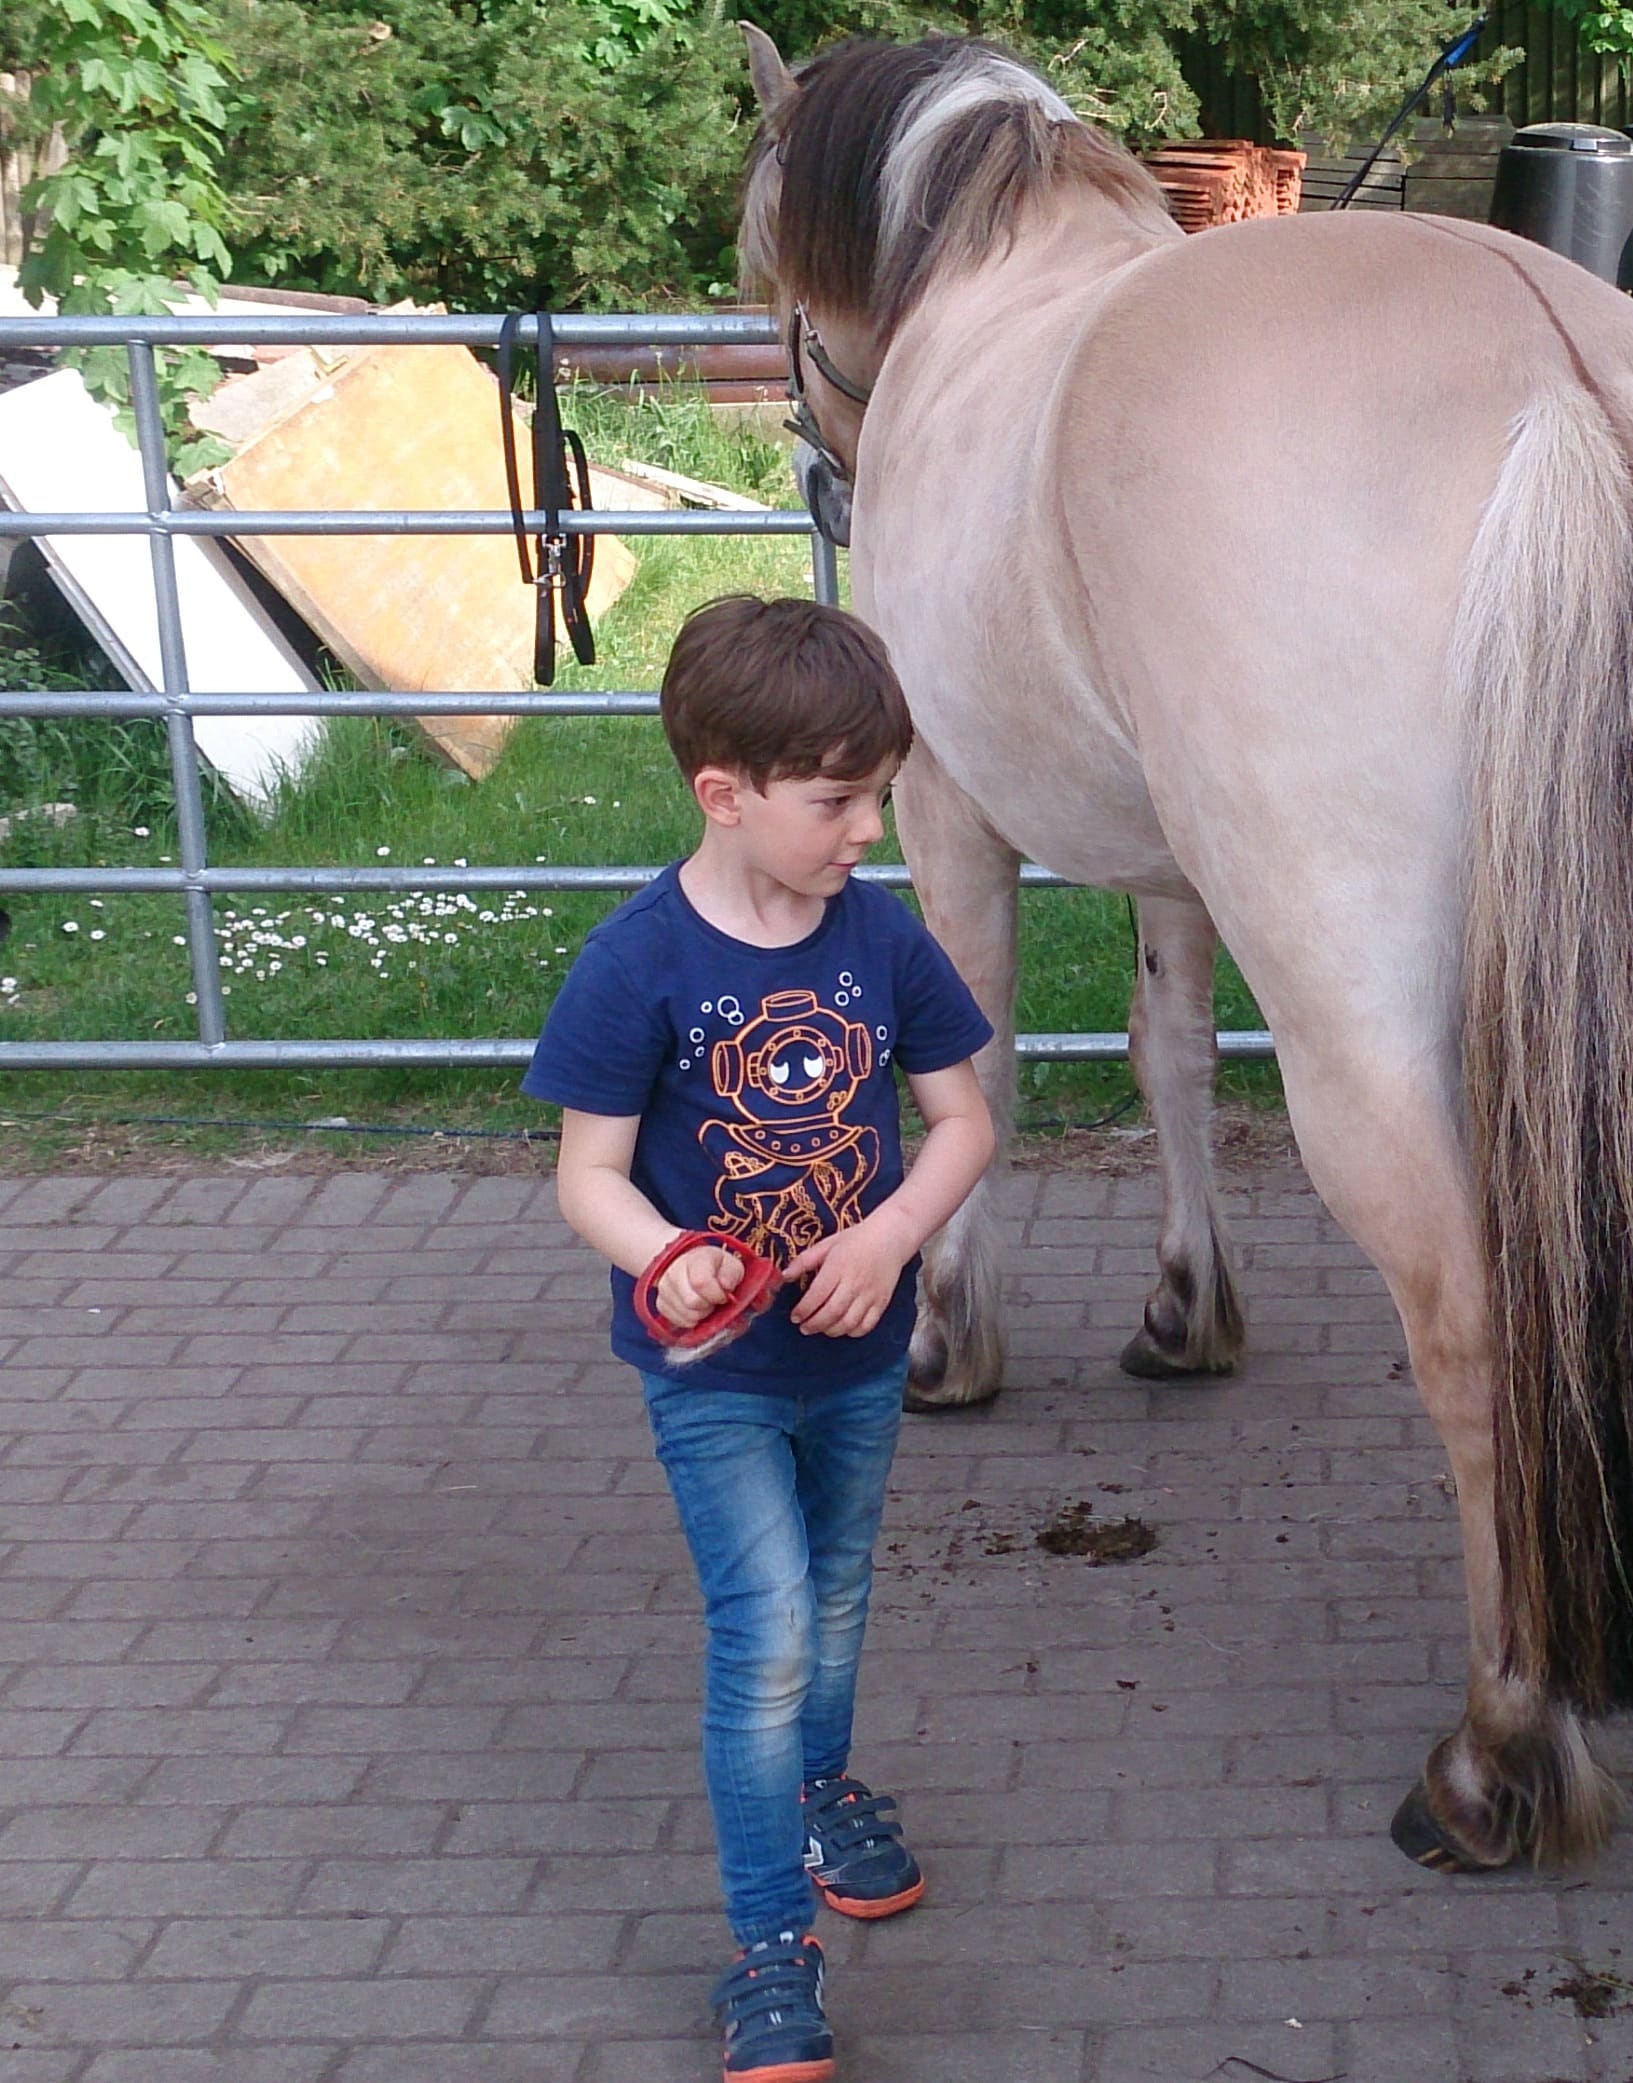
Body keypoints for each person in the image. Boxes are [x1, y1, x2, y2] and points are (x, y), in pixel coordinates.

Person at [525, 595, 995, 2082]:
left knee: (839, 1594)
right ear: (723, 793)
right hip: (712, 1375)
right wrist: (664, 1255)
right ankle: (768, 1948)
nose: (869, 827)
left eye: (880, 795)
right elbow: (584, 1173)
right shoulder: (635, 965)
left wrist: (886, 1236)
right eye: (838, 800)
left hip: (858, 1354)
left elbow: (963, 1120)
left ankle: (822, 1784)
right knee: (768, 1631)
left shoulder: (883, 940)